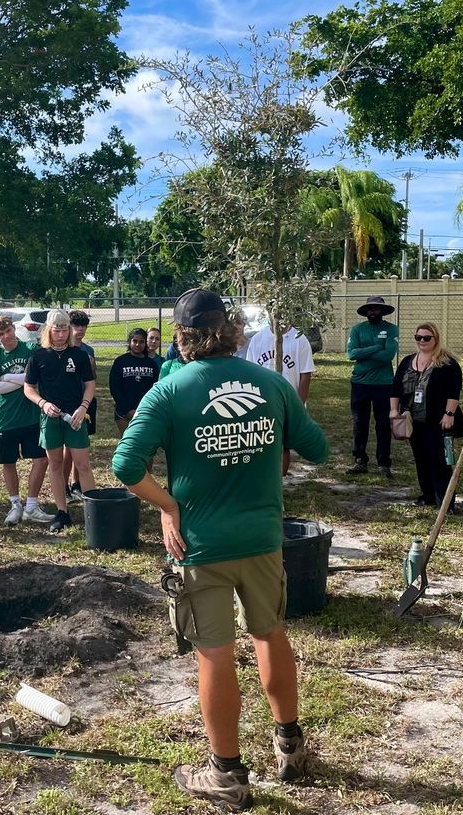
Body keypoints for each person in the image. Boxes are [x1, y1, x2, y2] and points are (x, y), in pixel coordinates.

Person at [112, 289, 329, 810]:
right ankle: (290, 746)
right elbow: (317, 448)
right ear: (230, 330)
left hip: (200, 545)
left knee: (215, 653)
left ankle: (227, 774)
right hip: (261, 540)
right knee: (270, 634)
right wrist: (265, 439)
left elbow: (124, 466)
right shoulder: (272, 383)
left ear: (183, 336)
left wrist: (169, 507)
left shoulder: (169, 390)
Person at [24, 309, 96, 533]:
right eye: (57, 329)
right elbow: (29, 388)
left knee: (82, 465)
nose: (62, 334)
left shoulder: (80, 355)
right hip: (50, 418)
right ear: (49, 330)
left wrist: (83, 407)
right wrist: (43, 404)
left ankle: (93, 512)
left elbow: (90, 386)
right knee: (55, 465)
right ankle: (62, 512)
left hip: (75, 417)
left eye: (65, 329)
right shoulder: (38, 356)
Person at [390, 323, 463, 510]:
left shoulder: (447, 363)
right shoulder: (408, 361)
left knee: (439, 460)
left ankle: (446, 502)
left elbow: (453, 391)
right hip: (413, 419)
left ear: (436, 339)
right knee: (421, 458)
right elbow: (395, 388)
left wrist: (449, 414)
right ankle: (428, 495)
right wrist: (393, 410)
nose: (422, 341)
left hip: (437, 420)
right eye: (418, 338)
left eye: (426, 338)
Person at [0, 314, 52, 525]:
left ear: (14, 329)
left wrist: (8, 378)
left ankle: (31, 505)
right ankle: (15, 504)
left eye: (7, 331)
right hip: (6, 417)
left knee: (41, 459)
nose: (5, 337)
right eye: (0, 334)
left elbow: (38, 377)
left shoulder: (31, 350)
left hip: (31, 415)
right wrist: (24, 380)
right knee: (9, 462)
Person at [247, 319, 316, 480]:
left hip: (288, 403)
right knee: (260, 443)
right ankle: (263, 480)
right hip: (261, 403)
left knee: (283, 444)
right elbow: (249, 372)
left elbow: (305, 374)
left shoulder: (299, 339)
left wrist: (298, 406)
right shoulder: (258, 339)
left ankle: (280, 482)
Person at [346, 295, 399, 477]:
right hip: (360, 383)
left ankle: (384, 463)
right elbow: (351, 354)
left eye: (376, 308)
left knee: (383, 424)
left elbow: (388, 356)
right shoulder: (357, 329)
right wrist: (377, 347)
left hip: (384, 384)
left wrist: (364, 355)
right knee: (359, 423)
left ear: (382, 311)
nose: (372, 311)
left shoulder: (392, 329)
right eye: (370, 308)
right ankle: (360, 460)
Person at [64, 309, 97, 503]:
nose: (80, 330)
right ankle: (64, 487)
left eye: (83, 325)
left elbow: (91, 379)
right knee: (66, 449)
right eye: (76, 325)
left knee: (81, 446)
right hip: (67, 404)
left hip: (85, 404)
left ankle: (77, 484)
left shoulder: (88, 351)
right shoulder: (62, 350)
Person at [109, 328, 158, 436]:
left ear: (146, 343)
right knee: (127, 441)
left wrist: (144, 410)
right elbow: (115, 388)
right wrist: (128, 410)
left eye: (141, 342)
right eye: (135, 341)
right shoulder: (120, 362)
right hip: (124, 413)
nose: (137, 344)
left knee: (142, 444)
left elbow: (154, 390)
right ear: (129, 342)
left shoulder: (151, 364)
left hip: (144, 411)